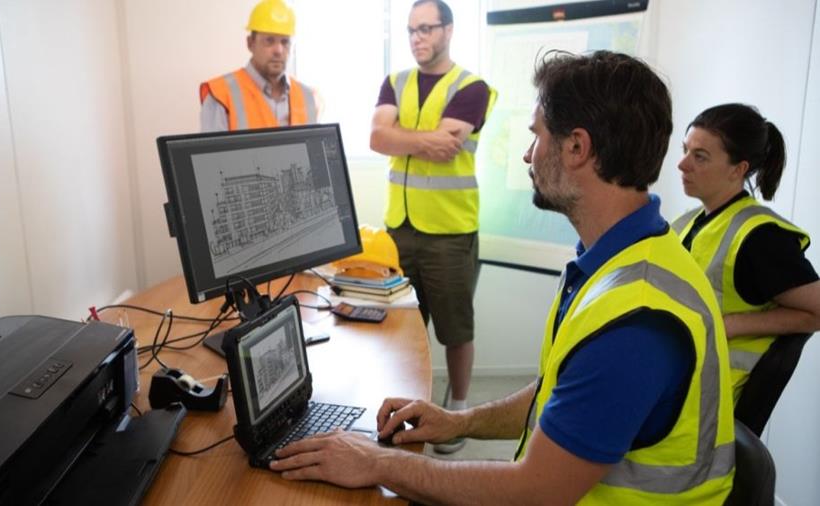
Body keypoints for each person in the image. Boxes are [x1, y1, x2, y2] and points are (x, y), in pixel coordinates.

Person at [270, 50, 736, 505]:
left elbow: (535, 491)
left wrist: (378, 463)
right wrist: (460, 422)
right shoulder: (624, 259)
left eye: (537, 137)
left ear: (577, 147)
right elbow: (562, 395)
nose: (529, 155)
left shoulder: (635, 321)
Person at [369, 0, 496, 453]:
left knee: (455, 330)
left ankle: (457, 411)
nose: (417, 38)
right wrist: (420, 140)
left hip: (449, 231)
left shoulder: (472, 88)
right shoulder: (395, 81)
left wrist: (399, 137)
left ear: (449, 30)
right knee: (402, 329)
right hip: (398, 230)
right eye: (411, 30)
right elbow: (376, 137)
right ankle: (407, 407)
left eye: (426, 28)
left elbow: (446, 147)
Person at [673, 103, 820, 402]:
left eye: (699, 156)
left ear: (738, 169)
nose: (682, 164)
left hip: (708, 403)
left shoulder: (760, 237)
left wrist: (730, 325)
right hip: (677, 383)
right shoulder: (687, 223)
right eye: (685, 150)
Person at [199, 0, 318, 132]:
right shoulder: (221, 94)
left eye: (285, 42)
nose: (278, 50)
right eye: (269, 40)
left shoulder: (308, 97)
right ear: (250, 43)